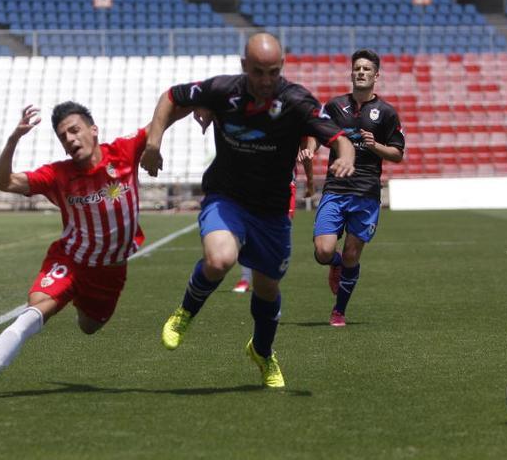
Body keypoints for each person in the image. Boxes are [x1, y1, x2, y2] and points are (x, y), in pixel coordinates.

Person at [139, 33, 356, 388]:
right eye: (258, 72)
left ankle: (263, 351)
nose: (267, 80)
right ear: (244, 67)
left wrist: (345, 156)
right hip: (227, 197)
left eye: (273, 71)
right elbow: (172, 97)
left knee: (266, 289)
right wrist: (153, 141)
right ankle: (185, 312)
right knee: (220, 259)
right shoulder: (223, 90)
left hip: (271, 211)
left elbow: (338, 138)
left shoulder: (296, 101)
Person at [0, 101, 147, 400]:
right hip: (70, 259)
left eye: (75, 130)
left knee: (89, 326)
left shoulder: (124, 151)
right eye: (63, 136)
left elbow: (173, 103)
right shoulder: (58, 175)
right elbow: (2, 182)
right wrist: (13, 139)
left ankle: (74, 298)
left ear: (93, 130)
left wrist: (199, 114)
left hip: (109, 270)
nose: (70, 139)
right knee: (36, 310)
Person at [305, 48, 405, 327]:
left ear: (376, 75)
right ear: (351, 73)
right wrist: (311, 149)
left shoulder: (386, 113)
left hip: (366, 192)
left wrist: (377, 147)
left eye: (366, 69)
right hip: (336, 188)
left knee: (352, 254)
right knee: (323, 251)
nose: (361, 72)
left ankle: (339, 311)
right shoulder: (335, 106)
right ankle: (333, 264)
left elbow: (398, 154)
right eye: (357, 68)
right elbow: (315, 131)